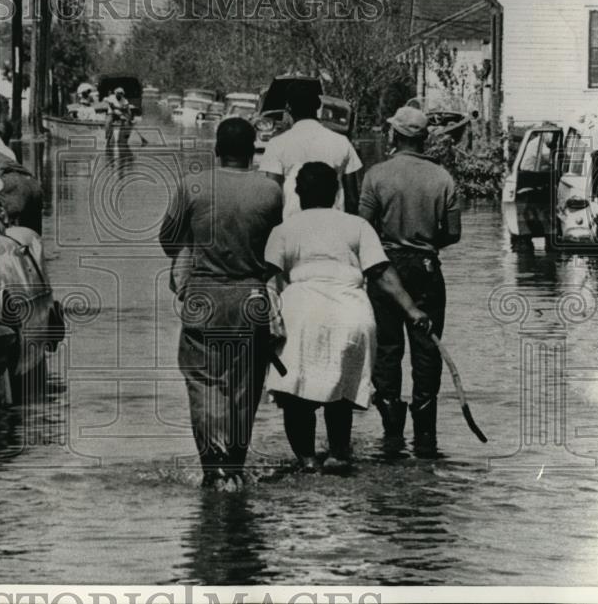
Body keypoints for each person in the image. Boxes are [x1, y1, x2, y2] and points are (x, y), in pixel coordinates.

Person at [265, 162, 431, 473]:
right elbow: (380, 271)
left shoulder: (283, 230)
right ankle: (338, 455)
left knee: (296, 396)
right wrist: (412, 310)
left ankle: (308, 462)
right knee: (340, 393)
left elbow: (267, 276)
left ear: (298, 193)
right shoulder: (357, 226)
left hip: (302, 313)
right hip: (351, 311)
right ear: (337, 192)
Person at [160, 117, 283, 490]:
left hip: (205, 298)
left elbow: (167, 240)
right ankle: (235, 466)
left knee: (203, 384)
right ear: (252, 152)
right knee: (245, 387)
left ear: (216, 150)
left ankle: (213, 470)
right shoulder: (271, 191)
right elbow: (275, 246)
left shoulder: (192, 185)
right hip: (252, 298)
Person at [359, 106, 462, 456]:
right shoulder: (442, 178)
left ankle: (391, 440)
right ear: (422, 140)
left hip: (383, 266)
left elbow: (363, 228)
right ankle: (426, 440)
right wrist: (424, 242)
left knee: (388, 351)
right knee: (427, 352)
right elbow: (454, 233)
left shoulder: (377, 175)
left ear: (395, 136)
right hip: (427, 267)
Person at [258, 79, 363, 216]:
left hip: (293, 228)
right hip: (334, 228)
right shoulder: (342, 142)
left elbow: (272, 197)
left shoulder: (277, 144)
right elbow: (353, 199)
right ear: (319, 107)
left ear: (288, 108)